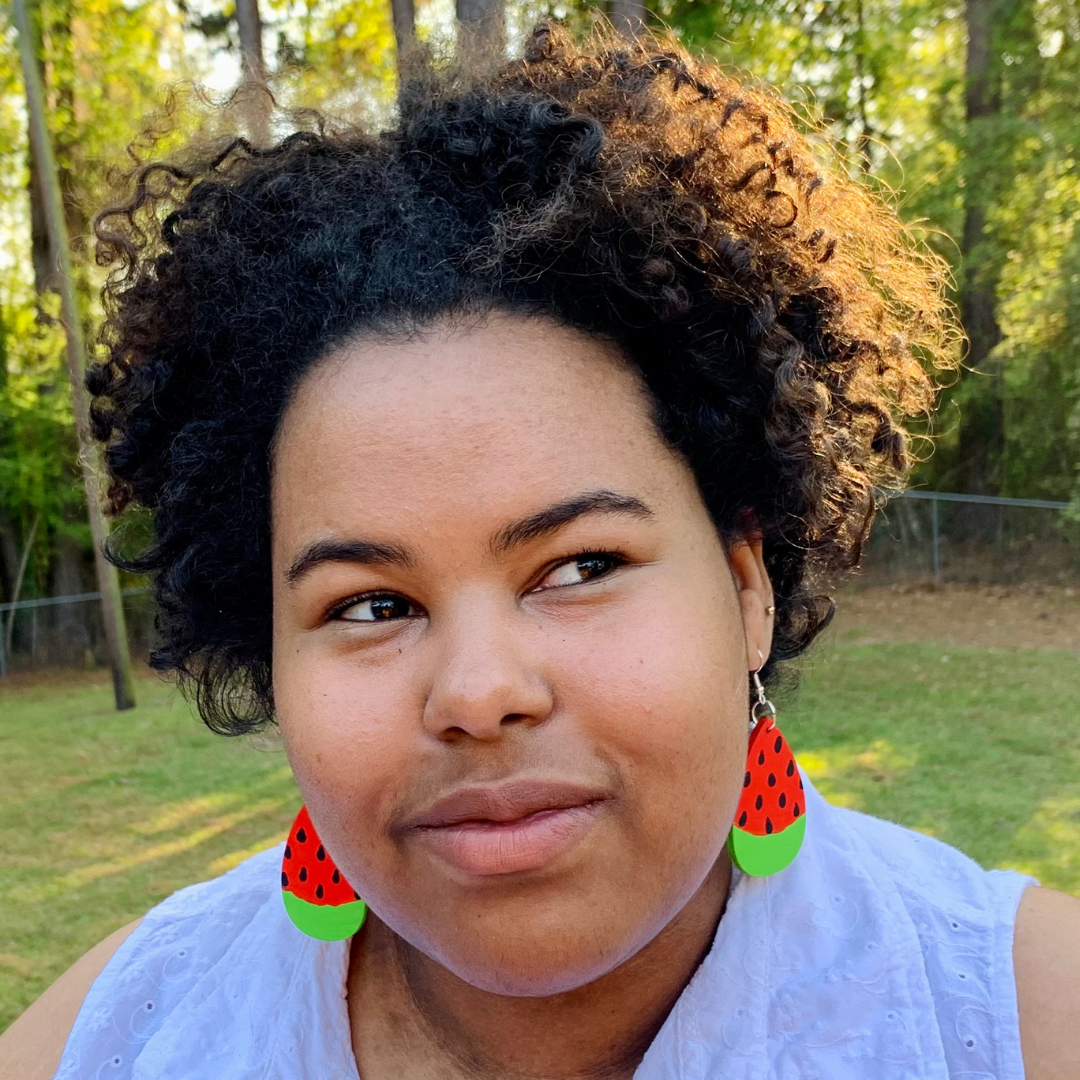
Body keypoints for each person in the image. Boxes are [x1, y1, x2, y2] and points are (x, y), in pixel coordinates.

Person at [2, 22, 1078, 1080]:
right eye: (371, 604)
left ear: (745, 587)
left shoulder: (1017, 1019)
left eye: (580, 566)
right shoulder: (121, 1035)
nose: (480, 693)